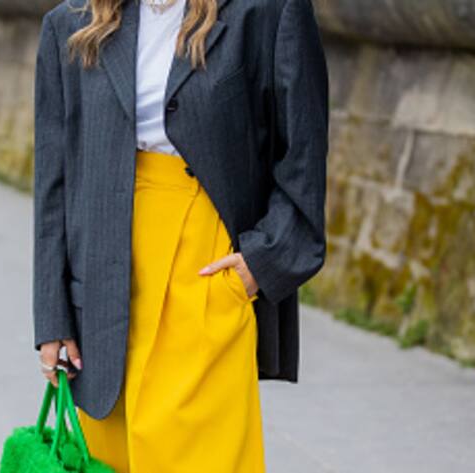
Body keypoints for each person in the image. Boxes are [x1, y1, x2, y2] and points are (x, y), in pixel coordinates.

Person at [32, 0, 328, 471]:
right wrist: (53, 315)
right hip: (102, 290)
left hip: (205, 273)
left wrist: (262, 262)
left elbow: (303, 155)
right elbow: (55, 180)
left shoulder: (267, 11)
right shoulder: (71, 22)